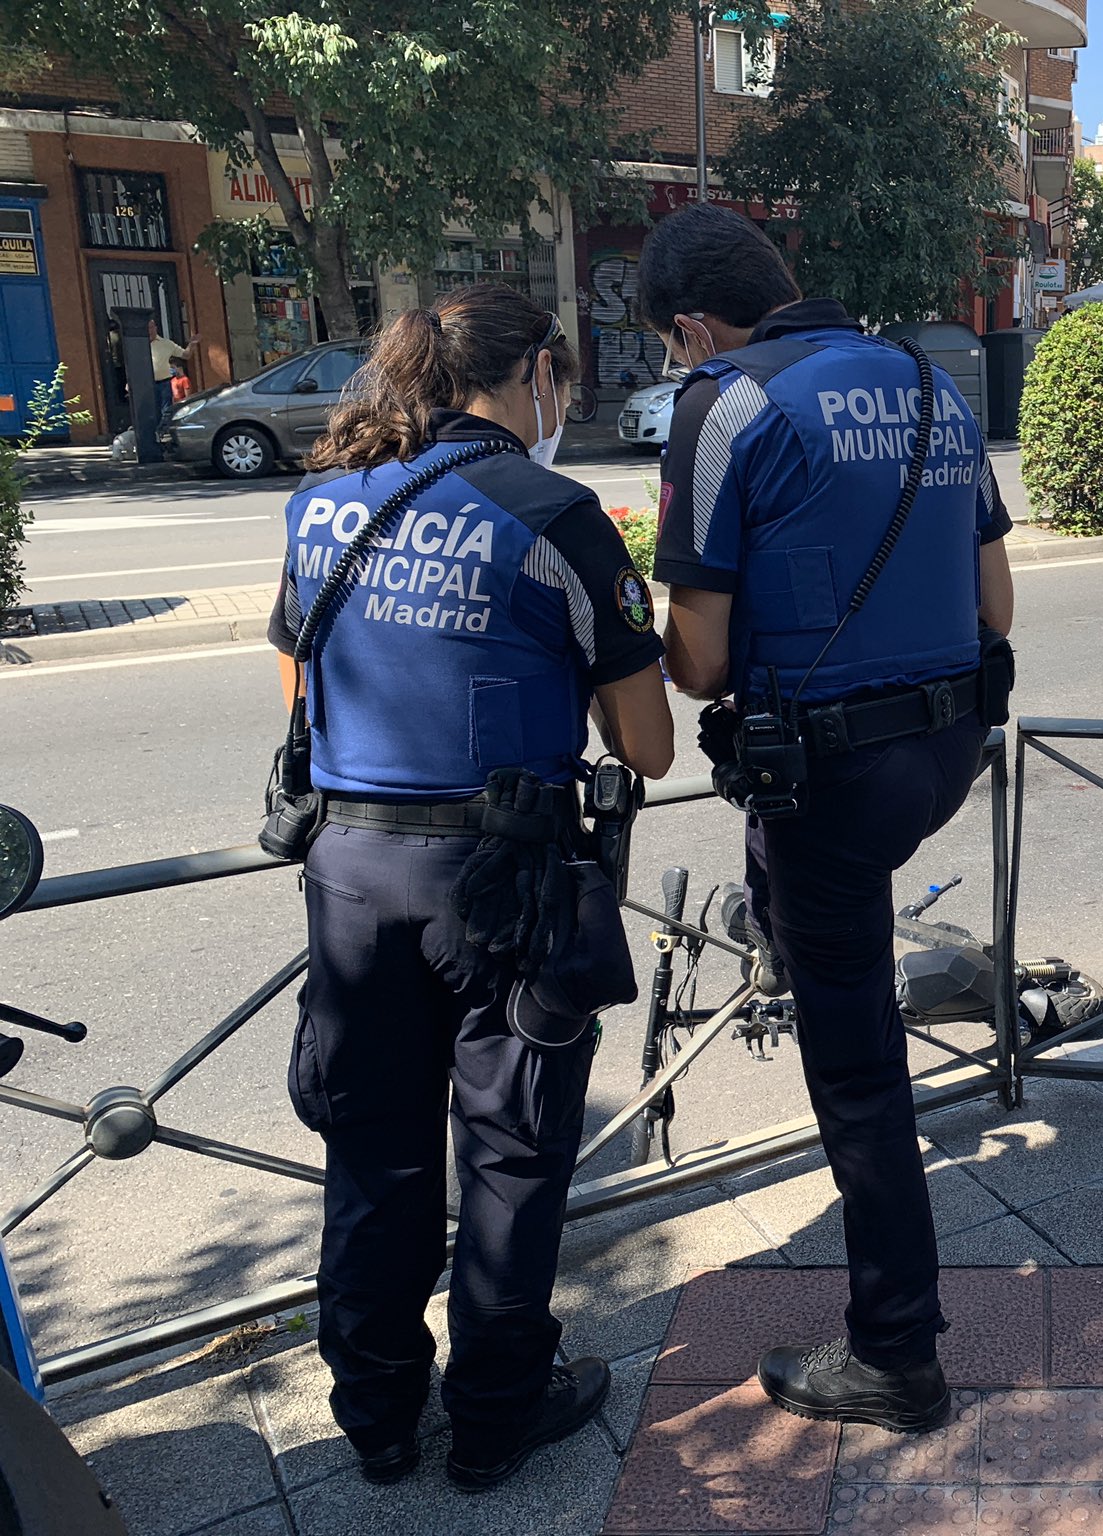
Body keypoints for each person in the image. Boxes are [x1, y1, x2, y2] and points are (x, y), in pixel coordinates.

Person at [266, 283, 675, 1491]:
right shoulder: (554, 511)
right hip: (506, 889)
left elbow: (300, 688)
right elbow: (647, 745)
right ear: (537, 373)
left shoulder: (323, 501)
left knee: (375, 1156)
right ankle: (494, 1418)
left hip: (351, 876)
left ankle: (376, 1419)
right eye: (562, 377)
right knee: (509, 1155)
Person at [640, 204, 1013, 1434]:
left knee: (858, 1079)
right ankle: (795, 934)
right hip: (944, 751)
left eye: (669, 346)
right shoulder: (928, 380)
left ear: (692, 324)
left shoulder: (723, 403)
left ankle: (896, 1354)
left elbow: (694, 665)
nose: (674, 366)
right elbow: (994, 595)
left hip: (826, 780)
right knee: (813, 920)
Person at [147, 318, 195, 422]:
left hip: (164, 383)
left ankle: (165, 433)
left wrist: (192, 344)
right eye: (147, 328)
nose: (149, 330)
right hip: (146, 384)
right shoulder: (139, 345)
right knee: (149, 412)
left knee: (166, 411)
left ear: (156, 328)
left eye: (151, 327)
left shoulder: (166, 344)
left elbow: (186, 355)